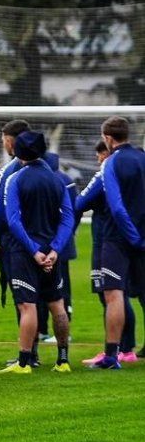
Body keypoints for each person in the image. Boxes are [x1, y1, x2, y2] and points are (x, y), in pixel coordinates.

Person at [0, 131, 74, 375]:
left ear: (18, 152)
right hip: (52, 251)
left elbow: (13, 221)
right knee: (57, 305)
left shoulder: (15, 179)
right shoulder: (57, 180)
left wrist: (35, 251)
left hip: (25, 252)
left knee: (27, 306)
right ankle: (62, 360)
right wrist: (55, 250)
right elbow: (68, 218)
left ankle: (24, 362)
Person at [86, 116, 145, 370]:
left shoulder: (111, 163)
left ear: (107, 138)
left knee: (113, 294)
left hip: (119, 238)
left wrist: (132, 237)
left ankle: (112, 355)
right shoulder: (143, 157)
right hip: (143, 237)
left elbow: (117, 207)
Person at [78, 140, 137, 365]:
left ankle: (122, 348)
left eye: (100, 155)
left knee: (113, 294)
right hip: (122, 239)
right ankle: (123, 347)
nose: (99, 160)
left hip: (109, 241)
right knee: (121, 294)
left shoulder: (107, 173)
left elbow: (81, 202)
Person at [0, 119, 41, 367]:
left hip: (18, 243)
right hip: (47, 242)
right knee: (45, 298)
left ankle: (28, 354)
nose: (4, 144)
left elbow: (0, 213)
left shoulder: (11, 170)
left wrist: (1, 241)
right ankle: (42, 352)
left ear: (11, 141)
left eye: (4, 140)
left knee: (23, 299)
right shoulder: (47, 167)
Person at [37, 152, 76, 344]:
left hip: (44, 243)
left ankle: (43, 330)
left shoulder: (47, 180)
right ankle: (57, 330)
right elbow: (73, 214)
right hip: (62, 243)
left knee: (47, 288)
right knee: (60, 289)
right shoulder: (65, 179)